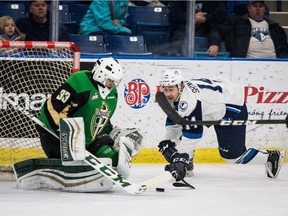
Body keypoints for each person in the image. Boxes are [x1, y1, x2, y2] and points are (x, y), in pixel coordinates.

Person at [157, 69, 285, 182]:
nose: (167, 93)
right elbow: (174, 122)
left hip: (233, 107)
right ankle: (188, 164)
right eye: (165, 89)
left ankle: (271, 157)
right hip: (215, 104)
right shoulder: (175, 96)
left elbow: (193, 136)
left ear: (180, 87)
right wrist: (168, 141)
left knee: (232, 157)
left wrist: (180, 159)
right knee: (184, 131)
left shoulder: (190, 102)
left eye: (171, 89)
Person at [36, 57, 143, 180]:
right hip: (56, 136)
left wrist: (112, 133)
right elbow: (53, 106)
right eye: (110, 81)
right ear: (100, 74)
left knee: (113, 159)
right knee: (71, 166)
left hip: (87, 141)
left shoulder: (112, 94)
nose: (112, 85)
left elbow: (103, 119)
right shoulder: (79, 81)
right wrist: (64, 132)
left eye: (115, 82)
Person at [221, 1, 288, 58]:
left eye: (260, 6)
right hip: (246, 63)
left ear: (264, 8)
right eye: (255, 6)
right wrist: (214, 44)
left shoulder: (275, 27)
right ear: (249, 8)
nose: (258, 9)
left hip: (275, 63)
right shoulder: (236, 23)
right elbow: (217, 31)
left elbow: (284, 49)